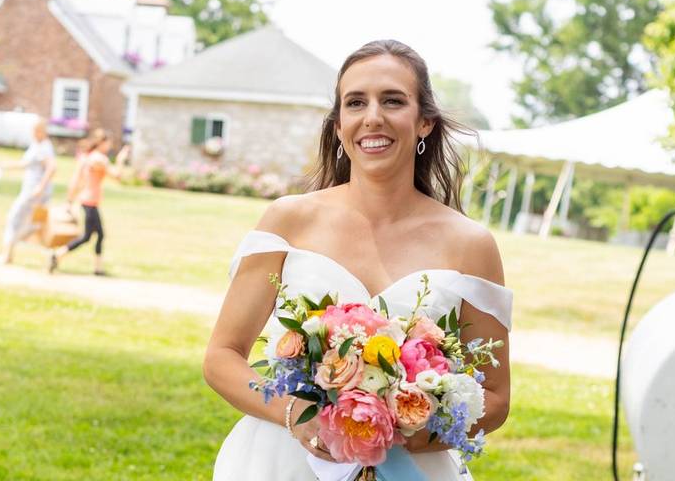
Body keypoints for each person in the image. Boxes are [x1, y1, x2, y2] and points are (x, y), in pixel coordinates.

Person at [204, 40, 512, 480]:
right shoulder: (288, 221)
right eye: (355, 102)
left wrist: (389, 433)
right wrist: (299, 415)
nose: (373, 117)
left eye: (392, 101)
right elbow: (222, 356)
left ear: (424, 121)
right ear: (338, 124)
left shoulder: (471, 245)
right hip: (281, 464)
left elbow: (496, 398)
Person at [48, 130, 129, 276]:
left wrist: (70, 200)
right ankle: (58, 254)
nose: (110, 146)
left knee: (99, 235)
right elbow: (117, 176)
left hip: (87, 200)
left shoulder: (88, 157)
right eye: (108, 143)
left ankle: (97, 268)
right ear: (102, 143)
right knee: (87, 236)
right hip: (90, 201)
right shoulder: (99, 159)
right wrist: (121, 160)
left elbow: (76, 180)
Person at [0, 118, 56, 265]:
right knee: (31, 225)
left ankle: (6, 256)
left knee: (14, 218)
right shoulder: (37, 145)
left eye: (36, 131)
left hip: (34, 193)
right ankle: (50, 255)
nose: (33, 134)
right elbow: (26, 164)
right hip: (32, 191)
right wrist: (6, 166)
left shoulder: (45, 147)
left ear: (42, 131)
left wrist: (40, 187)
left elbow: (51, 168)